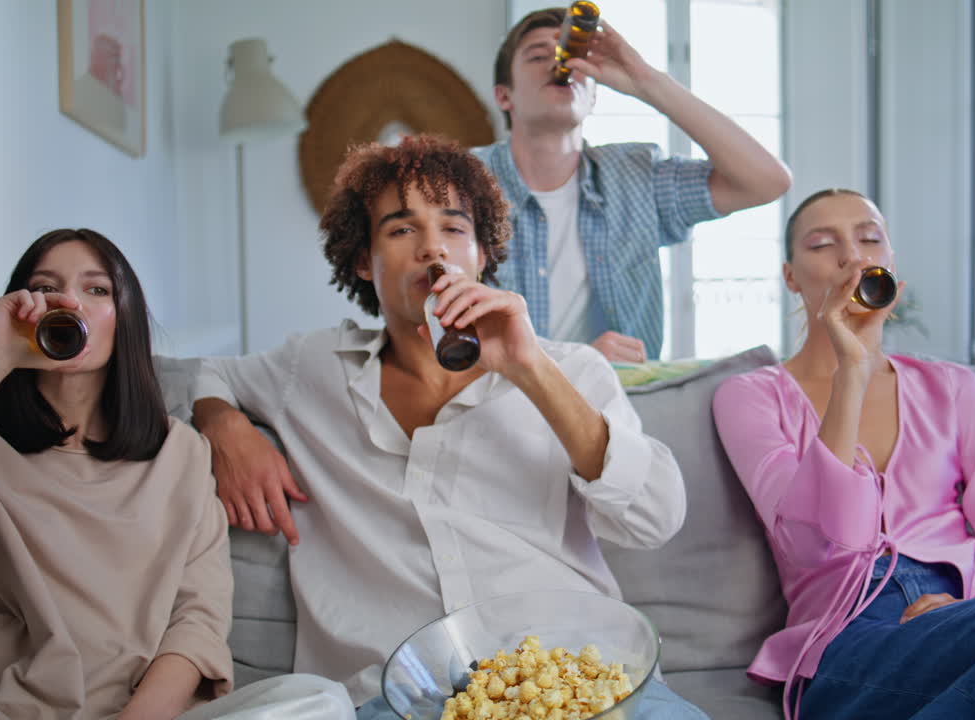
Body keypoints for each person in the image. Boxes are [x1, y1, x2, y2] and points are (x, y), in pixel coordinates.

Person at [191, 135, 703, 718]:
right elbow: (204, 374)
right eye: (401, 229)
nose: (432, 247)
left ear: (482, 254)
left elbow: (656, 519)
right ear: (363, 260)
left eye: (454, 228)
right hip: (397, 699)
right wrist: (223, 423)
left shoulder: (572, 370)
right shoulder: (309, 369)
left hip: (578, 680)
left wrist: (530, 369)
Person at [711, 189, 975, 719]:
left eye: (870, 239)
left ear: (890, 265)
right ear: (791, 277)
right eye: (823, 244)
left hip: (970, 618)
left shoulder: (950, 387)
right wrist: (852, 373)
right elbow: (815, 547)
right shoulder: (750, 397)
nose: (852, 256)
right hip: (849, 641)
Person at [0, 229, 234, 718]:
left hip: (129, 710)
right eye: (45, 288)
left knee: (313, 699)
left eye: (97, 289)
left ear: (125, 317)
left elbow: (198, 621)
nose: (70, 303)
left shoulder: (181, 454)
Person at [473, 7, 792, 363]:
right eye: (537, 56)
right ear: (504, 96)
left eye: (572, 56)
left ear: (593, 96)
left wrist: (646, 81)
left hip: (625, 395)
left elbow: (767, 181)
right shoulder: (462, 184)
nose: (560, 64)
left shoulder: (636, 177)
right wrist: (577, 361)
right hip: (502, 395)